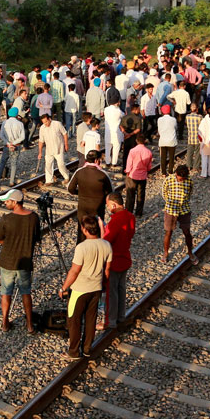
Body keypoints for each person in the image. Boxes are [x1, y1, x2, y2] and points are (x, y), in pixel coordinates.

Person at [59, 216, 112, 359]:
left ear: (84, 229)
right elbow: (107, 270)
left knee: (74, 321)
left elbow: (74, 271)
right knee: (90, 320)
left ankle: (74, 351)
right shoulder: (107, 245)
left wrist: (64, 287)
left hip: (79, 290)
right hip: (96, 289)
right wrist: (104, 286)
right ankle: (87, 349)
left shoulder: (81, 247)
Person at [0, 188, 40, 333]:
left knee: (6, 292)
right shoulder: (34, 218)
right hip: (25, 262)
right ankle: (29, 325)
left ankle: (4, 323)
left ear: (15, 202)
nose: (6, 204)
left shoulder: (6, 219)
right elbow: (37, 238)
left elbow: (0, 239)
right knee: (26, 293)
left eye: (7, 201)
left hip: (7, 262)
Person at [102, 192, 134, 329]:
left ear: (114, 204)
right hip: (125, 258)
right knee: (121, 289)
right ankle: (121, 316)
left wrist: (103, 228)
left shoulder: (116, 220)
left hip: (114, 260)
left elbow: (107, 240)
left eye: (109, 206)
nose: (108, 208)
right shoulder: (130, 216)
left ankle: (111, 320)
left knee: (111, 292)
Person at [67, 150, 113, 243]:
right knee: (97, 231)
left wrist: (80, 193)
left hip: (83, 208)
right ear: (96, 160)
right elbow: (111, 193)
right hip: (98, 209)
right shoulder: (103, 174)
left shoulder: (79, 172)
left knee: (82, 231)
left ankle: (81, 252)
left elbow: (70, 189)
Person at [161, 164, 197, 264]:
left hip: (184, 209)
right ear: (176, 174)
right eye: (180, 179)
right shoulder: (168, 180)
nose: (181, 180)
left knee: (187, 232)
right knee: (168, 232)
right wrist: (169, 202)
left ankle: (190, 252)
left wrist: (183, 201)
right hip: (171, 210)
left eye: (183, 179)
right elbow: (164, 192)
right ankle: (165, 253)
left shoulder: (189, 181)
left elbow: (190, 193)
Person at [38, 112, 70, 186]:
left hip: (59, 148)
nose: (45, 123)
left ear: (49, 119)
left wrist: (66, 144)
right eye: (43, 122)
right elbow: (41, 141)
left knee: (61, 164)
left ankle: (66, 176)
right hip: (49, 149)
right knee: (48, 165)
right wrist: (40, 152)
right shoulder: (42, 128)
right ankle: (49, 180)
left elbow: (65, 134)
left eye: (46, 121)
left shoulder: (57, 124)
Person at [123, 134, 152, 216]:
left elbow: (129, 164)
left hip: (132, 175)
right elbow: (149, 167)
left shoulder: (132, 151)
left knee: (130, 195)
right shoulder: (148, 152)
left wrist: (127, 171)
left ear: (136, 141)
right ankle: (139, 213)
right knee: (141, 195)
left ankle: (129, 212)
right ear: (145, 141)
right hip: (142, 176)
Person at [157, 105, 178, 175]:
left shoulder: (159, 120)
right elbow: (175, 128)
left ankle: (163, 172)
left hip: (162, 141)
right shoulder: (173, 119)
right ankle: (170, 171)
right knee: (171, 157)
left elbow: (159, 130)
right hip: (172, 141)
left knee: (163, 157)